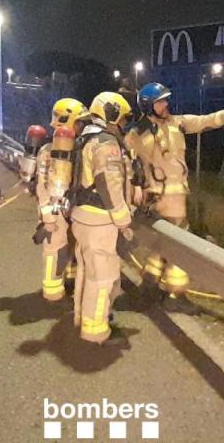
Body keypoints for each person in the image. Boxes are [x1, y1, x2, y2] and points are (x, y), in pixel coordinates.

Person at [124, 82, 224, 312]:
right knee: (179, 245)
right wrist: (135, 189)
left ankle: (149, 286)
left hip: (176, 192)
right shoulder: (137, 133)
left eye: (165, 100)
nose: (166, 105)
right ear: (148, 105)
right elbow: (127, 162)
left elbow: (204, 121)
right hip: (162, 194)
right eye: (160, 102)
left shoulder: (176, 123)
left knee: (165, 242)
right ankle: (176, 296)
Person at [69, 92, 134, 346]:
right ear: (112, 112)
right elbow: (109, 181)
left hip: (83, 217)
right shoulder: (106, 142)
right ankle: (95, 330)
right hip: (100, 219)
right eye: (122, 118)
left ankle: (82, 318)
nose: (123, 124)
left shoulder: (85, 137)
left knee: (87, 272)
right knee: (103, 277)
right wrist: (122, 217)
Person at [34, 98, 89, 301]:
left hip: (71, 206)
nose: (81, 126)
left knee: (73, 245)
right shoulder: (47, 151)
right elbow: (41, 184)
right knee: (55, 247)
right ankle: (52, 290)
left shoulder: (80, 147)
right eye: (78, 121)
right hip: (54, 208)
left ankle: (70, 281)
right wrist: (47, 213)